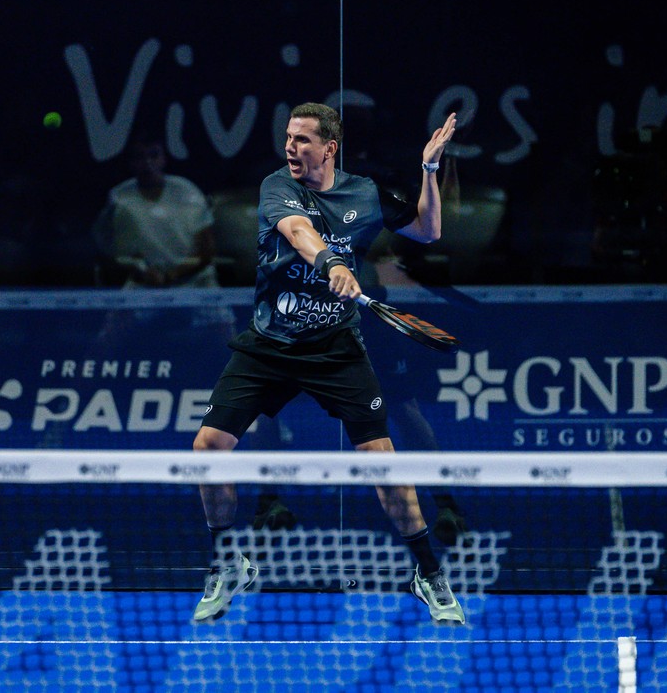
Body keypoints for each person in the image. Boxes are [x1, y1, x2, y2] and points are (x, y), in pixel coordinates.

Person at [191, 103, 464, 624]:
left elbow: (428, 229)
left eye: (302, 140)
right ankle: (227, 563)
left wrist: (429, 168)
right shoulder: (278, 186)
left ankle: (428, 573)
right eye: (288, 138)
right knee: (208, 446)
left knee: (382, 459)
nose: (290, 148)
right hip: (269, 343)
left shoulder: (364, 193)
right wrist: (333, 262)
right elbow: (298, 232)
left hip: (335, 347)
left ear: (329, 148)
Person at [92, 136, 219, 289]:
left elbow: (207, 251)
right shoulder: (118, 198)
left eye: (154, 155)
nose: (147, 162)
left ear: (163, 159)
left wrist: (170, 276)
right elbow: (112, 254)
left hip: (195, 282)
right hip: (143, 284)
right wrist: (143, 273)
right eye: (139, 157)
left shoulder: (187, 191)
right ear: (130, 163)